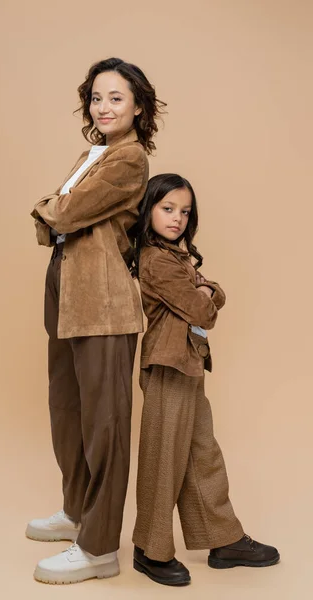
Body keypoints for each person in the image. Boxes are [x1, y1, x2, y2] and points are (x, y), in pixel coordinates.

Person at [27, 58, 166, 585]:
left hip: (105, 304)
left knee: (104, 424)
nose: (103, 107)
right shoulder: (94, 154)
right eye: (96, 98)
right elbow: (59, 217)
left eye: (116, 98)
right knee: (67, 410)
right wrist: (55, 208)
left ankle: (99, 546)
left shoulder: (129, 160)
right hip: (66, 295)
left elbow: (61, 214)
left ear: (138, 107)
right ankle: (76, 511)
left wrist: (50, 205)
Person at [131, 173, 280, 586]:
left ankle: (224, 538)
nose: (177, 218)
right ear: (148, 210)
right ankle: (150, 549)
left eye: (185, 211)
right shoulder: (157, 259)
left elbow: (205, 297)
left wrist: (205, 289)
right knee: (165, 458)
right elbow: (203, 311)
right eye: (167, 209)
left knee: (202, 455)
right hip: (167, 365)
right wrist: (208, 292)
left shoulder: (174, 256)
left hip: (189, 363)